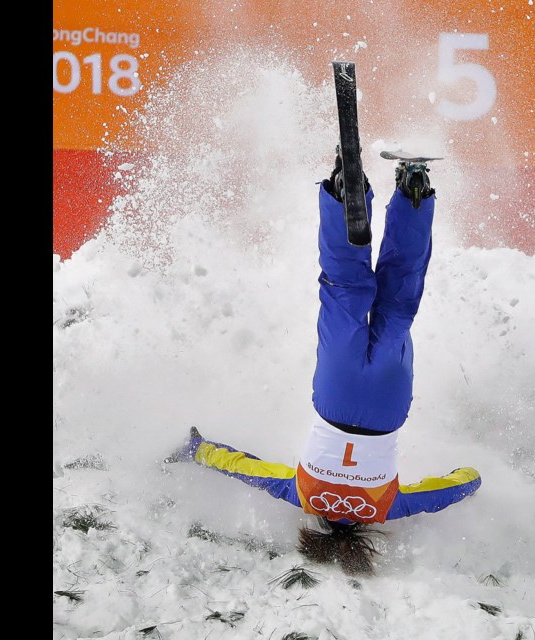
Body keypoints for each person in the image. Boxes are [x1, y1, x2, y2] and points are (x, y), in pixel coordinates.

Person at [166, 151, 481, 574]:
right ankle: (340, 192)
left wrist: (472, 477)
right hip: (336, 395)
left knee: (399, 302)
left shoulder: (385, 507)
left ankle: (414, 192)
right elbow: (246, 468)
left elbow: (450, 488)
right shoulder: (303, 493)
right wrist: (198, 450)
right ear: (316, 528)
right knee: (344, 291)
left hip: (388, 404)